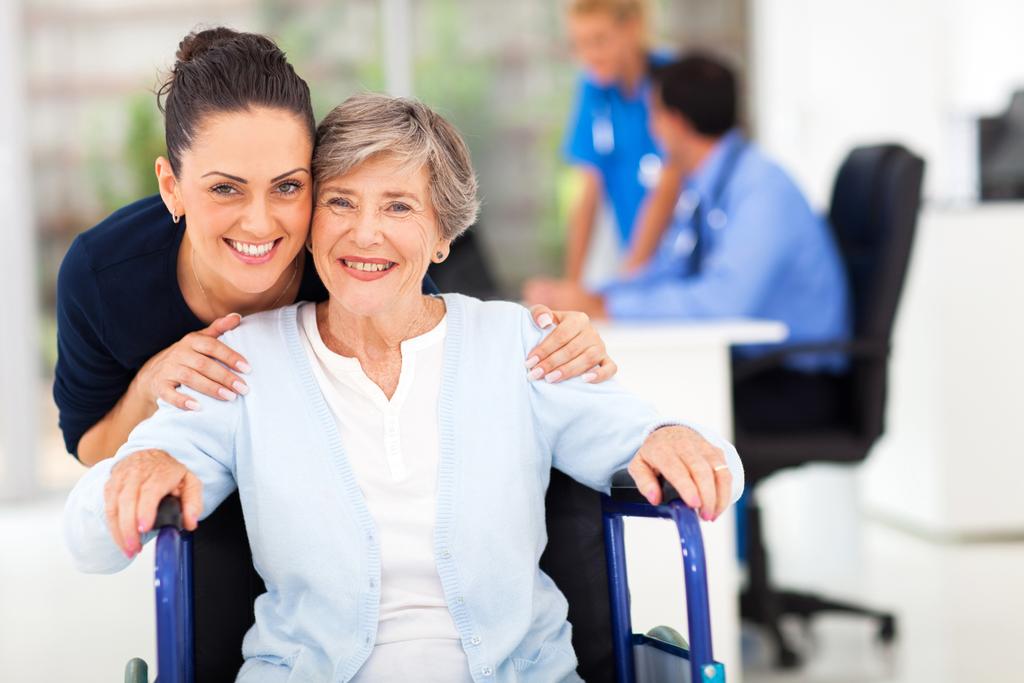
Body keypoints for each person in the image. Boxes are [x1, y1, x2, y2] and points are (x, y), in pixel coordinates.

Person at [64, 92, 744, 682]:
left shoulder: (519, 347)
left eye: (398, 205)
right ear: (310, 227)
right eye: (340, 202)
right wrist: (139, 468)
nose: (366, 232)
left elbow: (711, 465)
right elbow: (89, 535)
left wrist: (671, 437)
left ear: (442, 235)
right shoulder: (246, 361)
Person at [525, 54, 852, 426]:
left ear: (676, 123)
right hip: (754, 368)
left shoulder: (761, 189)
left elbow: (721, 301)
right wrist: (595, 297)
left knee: (631, 415)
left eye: (654, 115)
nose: (652, 129)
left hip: (797, 382)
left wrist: (609, 307)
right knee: (617, 406)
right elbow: (672, 268)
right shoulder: (709, 183)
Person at [561, 0, 684, 285]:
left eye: (599, 40)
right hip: (632, 254)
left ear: (633, 27)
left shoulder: (671, 79)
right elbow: (589, 191)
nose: (589, 55)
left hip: (677, 255)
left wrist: (629, 280)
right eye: (580, 44)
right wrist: (572, 284)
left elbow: (669, 185)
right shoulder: (593, 89)